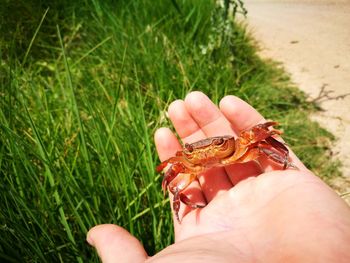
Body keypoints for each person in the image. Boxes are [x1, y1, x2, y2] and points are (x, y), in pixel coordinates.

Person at [87, 92, 350, 262]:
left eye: (218, 144)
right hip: (198, 166)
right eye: (196, 148)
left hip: (234, 155)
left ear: (229, 140)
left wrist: (283, 159)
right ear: (189, 152)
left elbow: (261, 134)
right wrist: (171, 175)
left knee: (263, 141)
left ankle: (286, 166)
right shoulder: (186, 161)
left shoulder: (240, 146)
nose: (209, 151)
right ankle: (184, 210)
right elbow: (170, 166)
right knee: (177, 186)